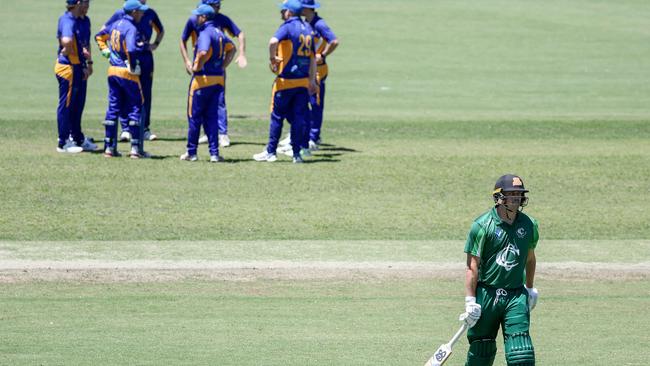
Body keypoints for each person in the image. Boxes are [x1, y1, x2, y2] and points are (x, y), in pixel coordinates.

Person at [460, 174, 539, 366]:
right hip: (487, 293)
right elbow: (472, 266)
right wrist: (471, 301)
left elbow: (530, 258)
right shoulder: (482, 225)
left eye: (519, 194)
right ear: (499, 196)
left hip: (516, 295)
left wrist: (529, 288)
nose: (516, 198)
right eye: (511, 194)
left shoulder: (529, 224)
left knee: (522, 354)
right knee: (481, 351)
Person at [253, 0, 318, 163]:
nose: (281, 13)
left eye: (283, 11)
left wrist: (272, 58)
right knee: (298, 118)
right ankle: (296, 154)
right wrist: (312, 80)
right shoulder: (308, 30)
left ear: (289, 12)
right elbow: (312, 59)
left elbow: (273, 41)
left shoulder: (287, 26)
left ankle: (271, 151)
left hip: (285, 82)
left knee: (277, 117)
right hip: (302, 82)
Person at [180, 0, 247, 148]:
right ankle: (208, 134)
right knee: (201, 103)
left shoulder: (222, 19)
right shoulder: (194, 19)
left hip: (214, 69)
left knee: (219, 101)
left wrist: (240, 55)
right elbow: (183, 40)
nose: (219, 8)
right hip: (201, 70)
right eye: (216, 6)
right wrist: (187, 61)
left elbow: (239, 35)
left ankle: (222, 134)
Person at [95, 0, 164, 142]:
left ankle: (144, 128)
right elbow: (103, 32)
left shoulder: (149, 13)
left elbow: (161, 30)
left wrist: (155, 44)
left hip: (145, 59)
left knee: (145, 93)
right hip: (126, 61)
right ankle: (126, 129)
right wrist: (108, 53)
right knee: (125, 94)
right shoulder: (120, 15)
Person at [278, 0, 338, 154]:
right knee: (302, 103)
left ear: (306, 8)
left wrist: (322, 55)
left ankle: (313, 137)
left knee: (314, 104)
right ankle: (299, 135)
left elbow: (334, 41)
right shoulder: (306, 22)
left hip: (318, 70)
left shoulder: (319, 24)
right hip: (309, 70)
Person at [101, 0, 150, 158]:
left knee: (113, 107)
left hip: (113, 71)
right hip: (126, 72)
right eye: (140, 11)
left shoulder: (116, 24)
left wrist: (107, 53)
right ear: (134, 12)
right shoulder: (131, 27)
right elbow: (131, 48)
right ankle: (135, 149)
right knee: (136, 106)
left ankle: (109, 148)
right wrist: (133, 63)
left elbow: (99, 37)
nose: (142, 13)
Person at [55, 0, 97, 153]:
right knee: (66, 105)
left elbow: (86, 44)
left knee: (78, 105)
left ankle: (77, 137)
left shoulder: (85, 21)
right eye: (85, 2)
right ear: (77, 3)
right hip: (68, 68)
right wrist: (68, 48)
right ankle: (63, 142)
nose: (87, 5)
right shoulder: (67, 20)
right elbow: (66, 39)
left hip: (80, 67)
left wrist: (88, 63)